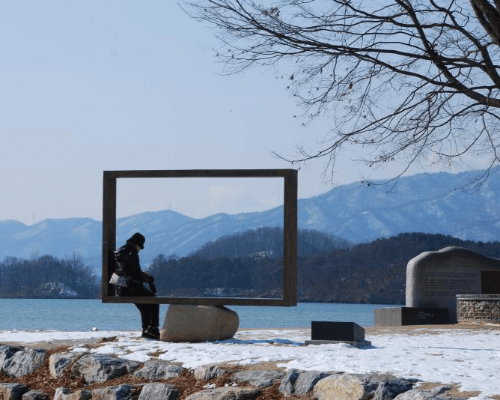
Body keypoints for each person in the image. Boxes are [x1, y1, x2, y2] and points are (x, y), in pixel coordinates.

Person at [115, 232, 160, 340]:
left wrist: (143, 276)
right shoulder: (132, 253)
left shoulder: (121, 251)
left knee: (145, 308)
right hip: (131, 287)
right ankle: (152, 328)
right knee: (154, 301)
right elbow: (136, 273)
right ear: (137, 244)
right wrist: (147, 279)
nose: (140, 249)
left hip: (120, 287)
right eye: (140, 247)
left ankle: (147, 332)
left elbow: (127, 270)